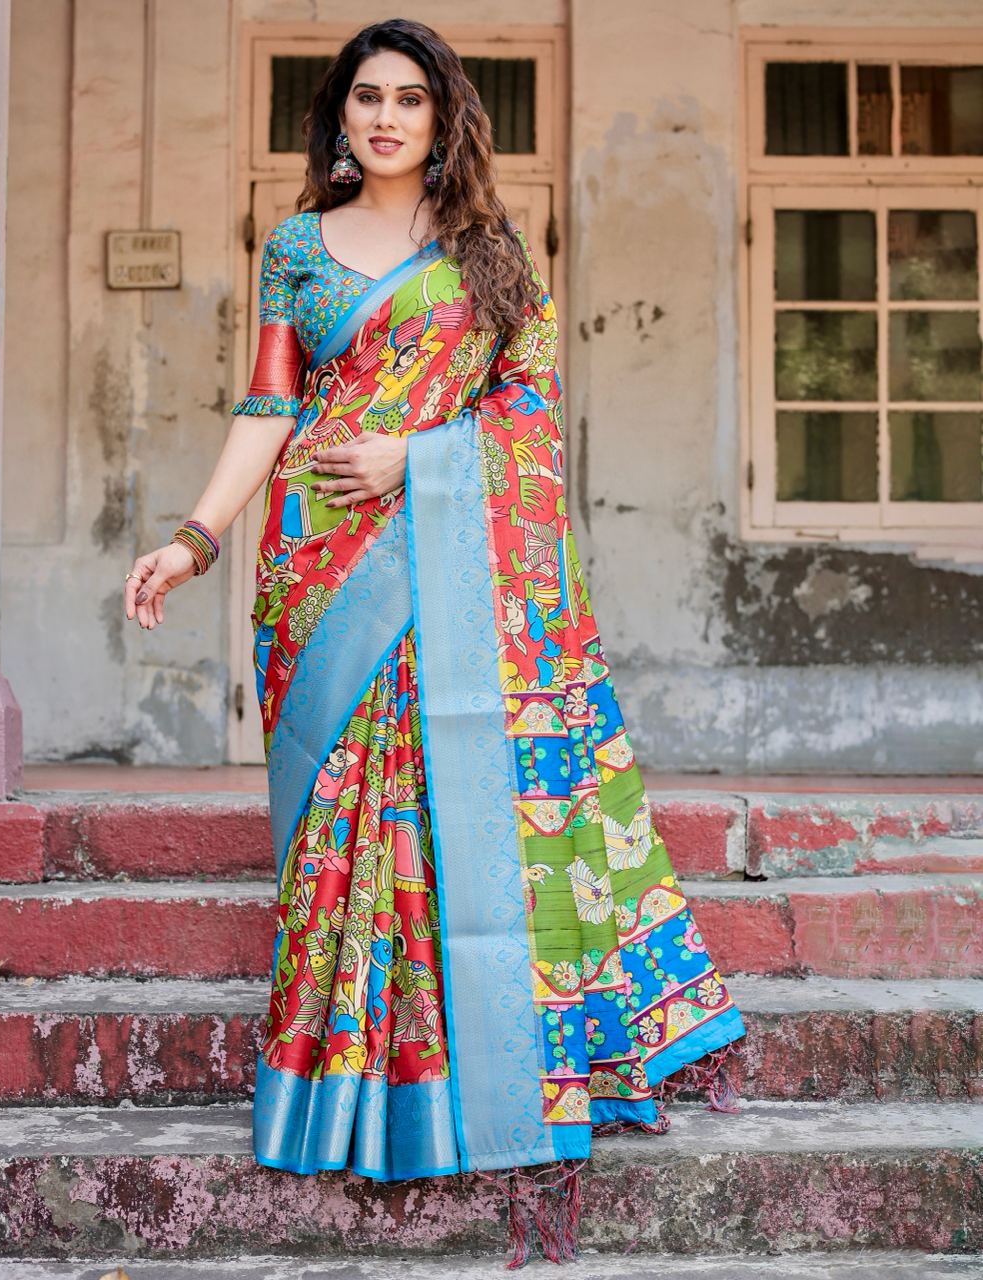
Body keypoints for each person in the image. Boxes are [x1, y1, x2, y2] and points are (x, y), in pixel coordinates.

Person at [123, 16, 747, 1268]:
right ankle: (344, 1091)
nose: (389, 117)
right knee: (344, 839)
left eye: (412, 98)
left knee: (458, 818)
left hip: (453, 574)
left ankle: (480, 1079)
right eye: (368, 97)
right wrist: (194, 536)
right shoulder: (298, 248)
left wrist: (420, 456)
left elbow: (526, 418)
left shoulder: (489, 250)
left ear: (445, 114)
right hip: (320, 573)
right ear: (340, 116)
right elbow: (269, 402)